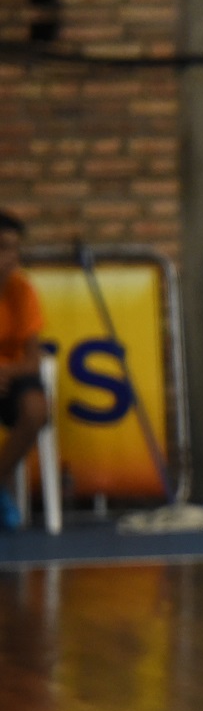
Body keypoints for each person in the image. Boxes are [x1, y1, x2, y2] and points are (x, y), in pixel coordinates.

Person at [0, 210, 51, 531]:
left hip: (12, 376)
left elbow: (34, 359)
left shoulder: (23, 291)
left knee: (36, 410)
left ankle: (0, 481)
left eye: (16, 249)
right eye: (5, 248)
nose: (13, 257)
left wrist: (6, 371)